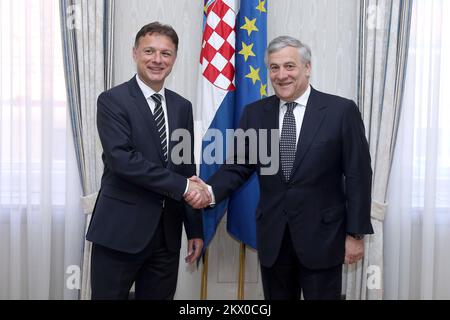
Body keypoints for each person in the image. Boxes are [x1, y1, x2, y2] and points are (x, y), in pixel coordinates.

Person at [185, 36, 373, 300]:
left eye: (289, 66)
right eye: (274, 68)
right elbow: (238, 166)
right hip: (274, 239)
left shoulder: (340, 111)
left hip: (324, 238)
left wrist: (355, 234)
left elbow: (358, 176)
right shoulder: (255, 113)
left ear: (307, 68)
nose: (281, 75)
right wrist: (208, 190)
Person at [86, 22, 209, 300]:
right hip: (119, 232)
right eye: (149, 51)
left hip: (166, 238)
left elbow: (186, 169)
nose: (157, 59)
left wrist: (194, 230)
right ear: (135, 53)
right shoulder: (112, 100)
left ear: (174, 59)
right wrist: (185, 187)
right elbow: (123, 160)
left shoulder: (182, 106)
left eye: (166, 53)